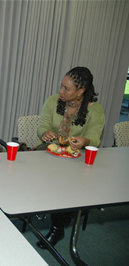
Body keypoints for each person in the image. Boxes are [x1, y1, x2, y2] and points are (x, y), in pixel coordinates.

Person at [36, 66, 105, 249]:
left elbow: (95, 138)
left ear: (81, 91)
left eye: (66, 88)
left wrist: (84, 140)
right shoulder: (53, 101)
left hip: (75, 156)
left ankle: (57, 227)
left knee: (63, 181)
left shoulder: (94, 110)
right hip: (50, 151)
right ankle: (53, 208)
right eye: (61, 86)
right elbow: (41, 126)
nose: (61, 91)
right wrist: (45, 133)